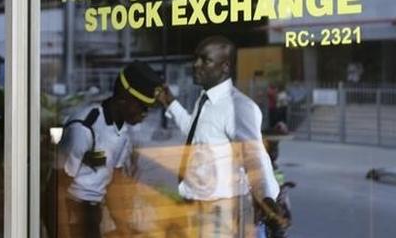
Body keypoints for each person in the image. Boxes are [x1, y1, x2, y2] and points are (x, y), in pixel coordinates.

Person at [155, 36, 286, 238]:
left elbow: (255, 157)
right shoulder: (205, 99)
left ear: (225, 67)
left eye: (205, 60)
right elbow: (195, 133)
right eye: (196, 59)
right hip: (196, 206)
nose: (196, 65)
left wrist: (267, 200)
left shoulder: (238, 107)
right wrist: (170, 103)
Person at [56, 61, 162, 238]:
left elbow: (114, 186)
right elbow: (56, 190)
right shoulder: (84, 128)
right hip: (71, 213)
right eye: (141, 106)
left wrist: (124, 230)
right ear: (122, 99)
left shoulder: (123, 133)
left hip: (93, 213)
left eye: (148, 108)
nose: (145, 113)